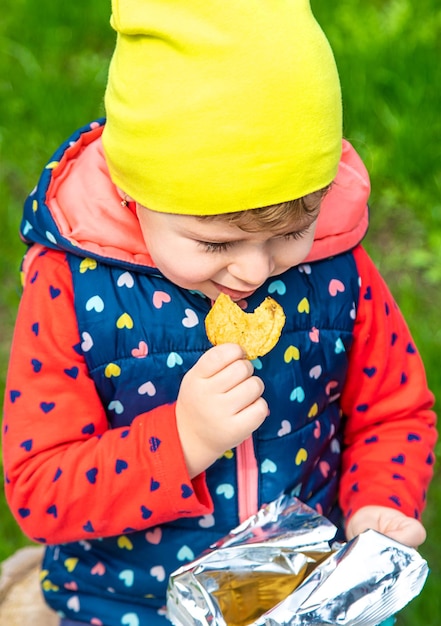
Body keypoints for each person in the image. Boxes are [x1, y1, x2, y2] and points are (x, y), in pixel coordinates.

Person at [2, 1, 436, 625]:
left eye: (294, 229)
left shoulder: (338, 270)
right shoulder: (72, 293)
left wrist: (379, 503)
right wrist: (180, 441)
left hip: (306, 592)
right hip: (127, 602)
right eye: (215, 244)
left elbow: (395, 413)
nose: (256, 271)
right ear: (133, 190)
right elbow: (41, 491)